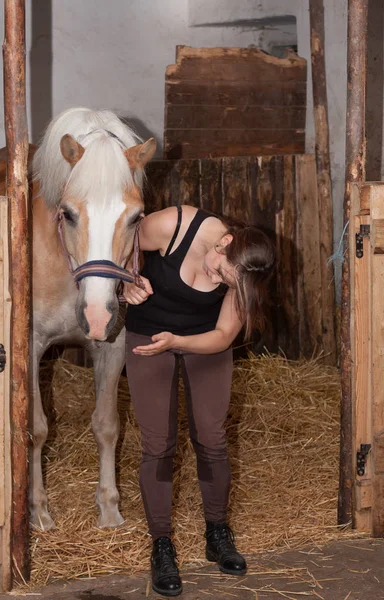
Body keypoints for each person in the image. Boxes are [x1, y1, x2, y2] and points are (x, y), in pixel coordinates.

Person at [123, 204, 275, 597]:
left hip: (202, 342)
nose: (217, 279)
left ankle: (217, 532)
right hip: (147, 338)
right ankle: (161, 543)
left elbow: (224, 334)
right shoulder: (172, 226)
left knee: (212, 437)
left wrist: (179, 343)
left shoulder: (242, 276)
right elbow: (116, 246)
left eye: (226, 282)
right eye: (220, 271)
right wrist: (123, 283)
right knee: (158, 442)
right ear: (225, 242)